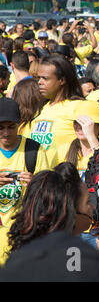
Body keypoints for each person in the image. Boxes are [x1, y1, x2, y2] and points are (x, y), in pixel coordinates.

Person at [0, 97, 51, 264]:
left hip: (24, 240)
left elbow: (50, 195)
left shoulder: (34, 150)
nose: (6, 133)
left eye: (11, 127)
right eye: (0, 128)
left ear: (20, 124)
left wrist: (35, 184)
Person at [28, 55, 84, 153]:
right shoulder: (42, 108)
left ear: (62, 80)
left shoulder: (79, 107)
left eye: (45, 78)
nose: (40, 82)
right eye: (39, 78)